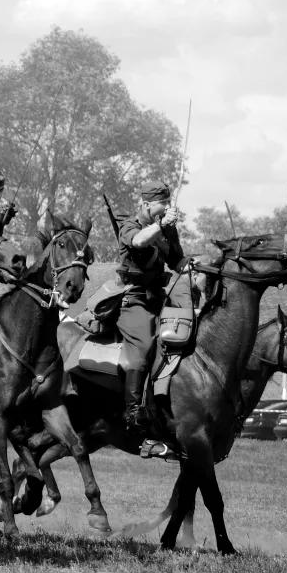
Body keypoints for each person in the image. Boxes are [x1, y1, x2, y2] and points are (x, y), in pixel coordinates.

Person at [115, 181, 188, 432]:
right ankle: (132, 411)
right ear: (147, 204)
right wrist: (162, 225)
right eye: (163, 204)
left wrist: (200, 267)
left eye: (169, 203)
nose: (169, 207)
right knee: (144, 345)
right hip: (133, 298)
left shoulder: (167, 228)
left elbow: (178, 261)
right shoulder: (130, 225)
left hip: (160, 296)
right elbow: (138, 242)